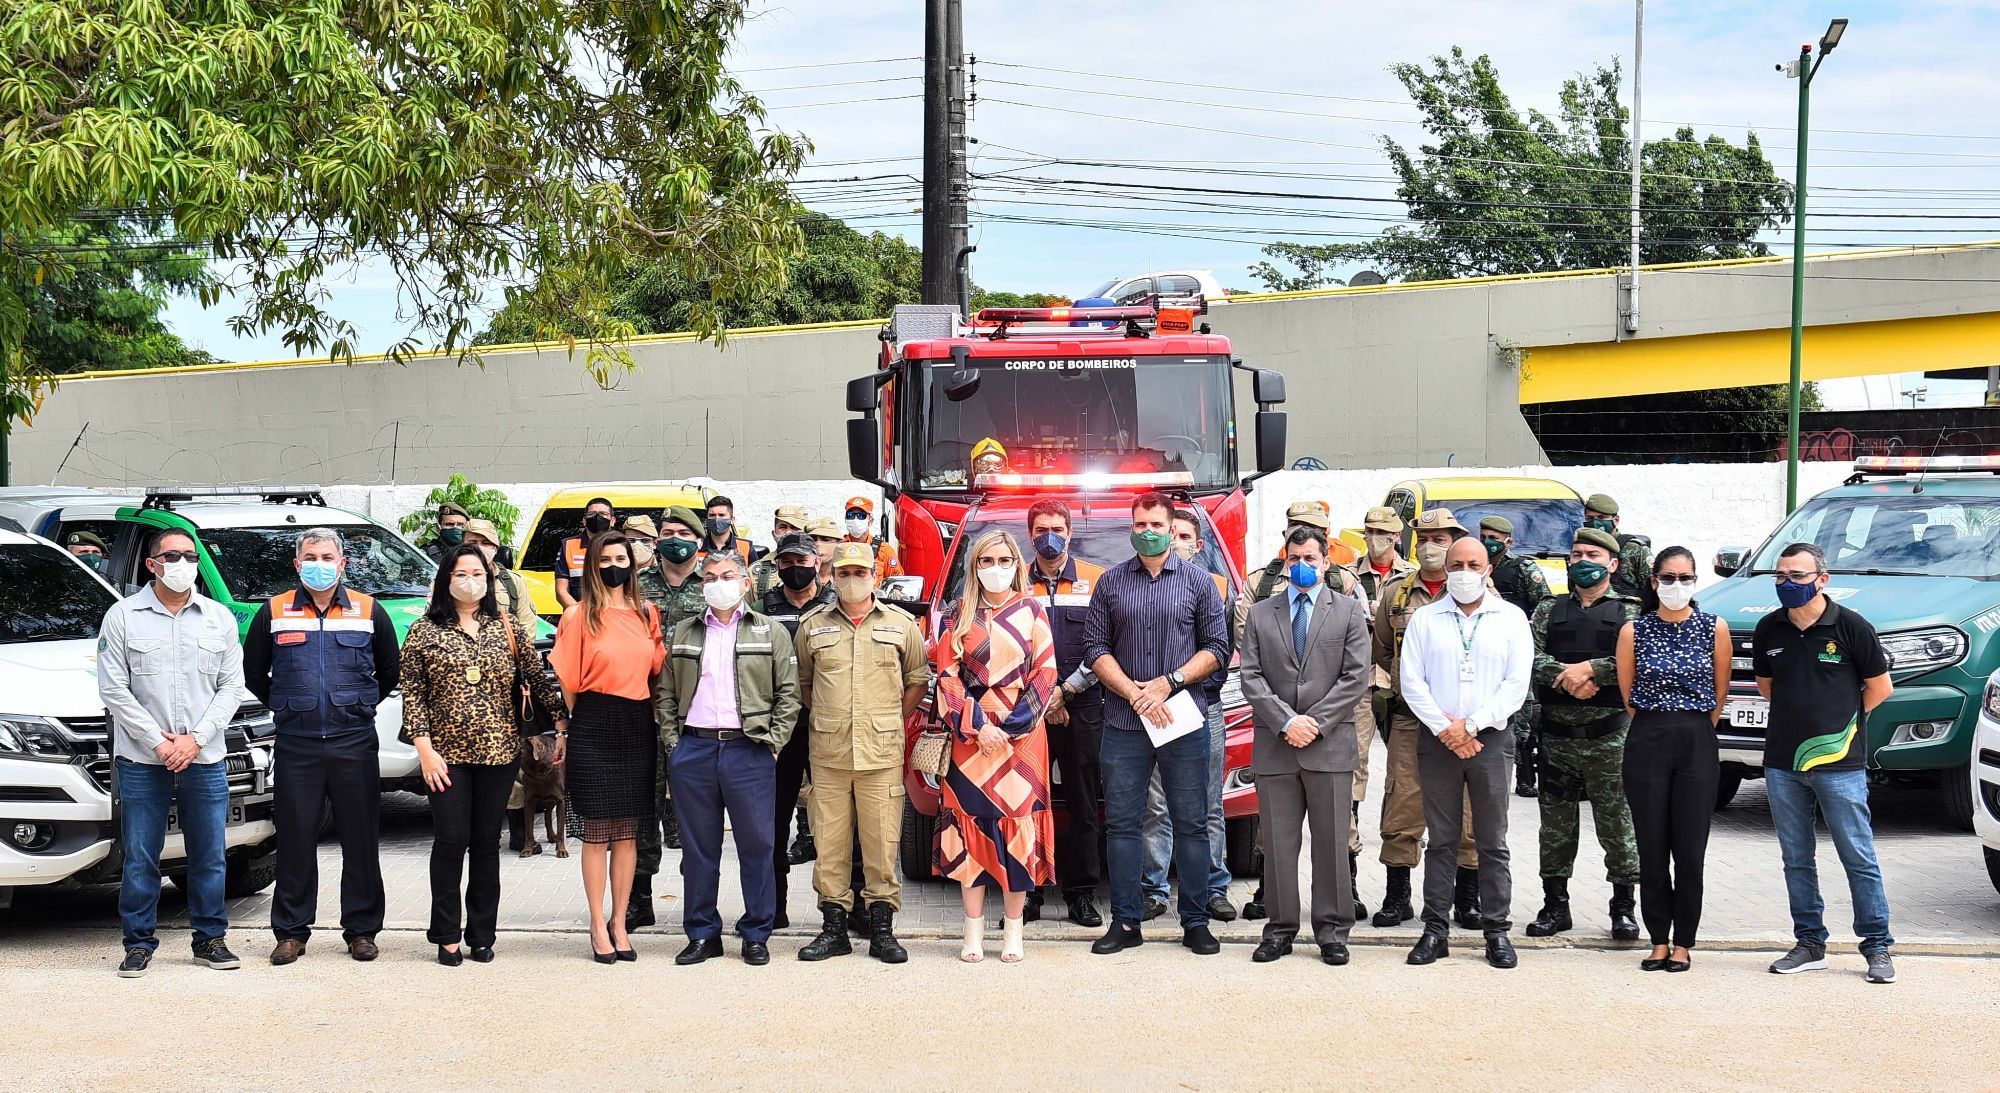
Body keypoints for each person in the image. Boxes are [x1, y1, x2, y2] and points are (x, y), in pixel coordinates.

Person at [400, 545, 567, 966]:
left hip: (499, 751)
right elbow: (413, 695)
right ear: (446, 579)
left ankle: (482, 933)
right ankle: (446, 934)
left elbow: (536, 675)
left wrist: (562, 723)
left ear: (489, 579)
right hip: (445, 755)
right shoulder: (424, 631)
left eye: (478, 572)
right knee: (451, 840)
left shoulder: (505, 627)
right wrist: (425, 750)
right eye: (461, 572)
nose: (470, 580)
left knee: (486, 844)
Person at [1081, 492, 1230, 957]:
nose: (1148, 531)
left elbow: (1217, 648)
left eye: (1156, 524)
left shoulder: (1200, 582)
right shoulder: (1109, 583)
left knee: (1191, 824)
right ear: (1131, 527)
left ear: (1172, 529)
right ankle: (1126, 922)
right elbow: (1095, 648)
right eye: (1140, 523)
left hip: (1183, 719)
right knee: (1124, 824)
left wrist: (1169, 683)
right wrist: (1135, 693)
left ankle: (1196, 921)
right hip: (1125, 722)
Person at [243, 528, 400, 965]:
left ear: (343, 563)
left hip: (354, 742)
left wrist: (358, 703)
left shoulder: (370, 611)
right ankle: (291, 932)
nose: (319, 563)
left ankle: (362, 931)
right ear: (297, 565)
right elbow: (254, 672)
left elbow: (389, 670)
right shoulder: (273, 611)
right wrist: (288, 705)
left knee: (361, 839)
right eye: (310, 556)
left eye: (327, 556)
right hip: (298, 744)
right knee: (295, 839)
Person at [97, 529, 249, 977]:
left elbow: (232, 687)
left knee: (209, 852)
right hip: (144, 759)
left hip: (204, 755)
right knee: (142, 853)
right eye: (173, 555)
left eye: (190, 555)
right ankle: (138, 943)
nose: (184, 562)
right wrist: (159, 742)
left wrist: (195, 739)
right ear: (152, 565)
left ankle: (210, 939)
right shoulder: (123, 617)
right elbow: (113, 689)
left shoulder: (218, 618)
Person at [1754, 542, 1897, 984]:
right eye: (1781, 576)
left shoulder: (1851, 627)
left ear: (1822, 578)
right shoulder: (1768, 629)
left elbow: (1879, 688)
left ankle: (1877, 947)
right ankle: (1810, 944)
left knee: (1858, 855)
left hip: (1841, 765)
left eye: (1797, 575)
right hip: (1782, 762)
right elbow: (1766, 687)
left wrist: (1840, 724)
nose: (1787, 584)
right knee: (1796, 858)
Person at [655, 551, 800, 967]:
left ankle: (756, 932)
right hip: (695, 750)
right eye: (711, 576)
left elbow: (788, 694)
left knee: (757, 844)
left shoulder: (769, 631)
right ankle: (702, 934)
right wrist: (673, 745)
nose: (719, 582)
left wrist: (773, 742)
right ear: (702, 585)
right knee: (700, 849)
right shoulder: (684, 630)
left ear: (745, 583)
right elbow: (665, 693)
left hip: (748, 749)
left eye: (728, 575)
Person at [1235, 502, 1372, 925]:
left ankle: (1333, 929)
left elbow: (1355, 676)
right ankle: (1280, 927)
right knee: (1277, 845)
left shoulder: (1348, 610)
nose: (1301, 566)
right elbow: (1250, 676)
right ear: (1284, 561)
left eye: (1310, 558)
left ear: (1325, 561)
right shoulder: (1261, 612)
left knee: (1331, 844)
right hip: (1277, 746)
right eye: (1294, 559)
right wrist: (1286, 721)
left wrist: (1314, 722)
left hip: (1329, 745)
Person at [1399, 536, 1532, 969]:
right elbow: (1411, 681)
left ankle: (1497, 931)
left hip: (1489, 739)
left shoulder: (1511, 619)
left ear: (1488, 568)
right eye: (1456, 565)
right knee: (1441, 840)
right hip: (1438, 740)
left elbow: (1516, 684)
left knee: (1491, 841)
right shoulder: (1425, 618)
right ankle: (1435, 929)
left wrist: (1471, 726)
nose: (1463, 572)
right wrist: (1447, 729)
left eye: (1473, 564)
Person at [793, 541, 930, 963]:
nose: (852, 580)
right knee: (830, 845)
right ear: (831, 577)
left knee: (882, 843)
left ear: (876, 576)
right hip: (830, 754)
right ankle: (833, 928)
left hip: (881, 753)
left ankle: (882, 929)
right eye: (844, 573)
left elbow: (918, 680)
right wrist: (835, 718)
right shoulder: (812, 625)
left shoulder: (902, 624)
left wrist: (885, 716)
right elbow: (804, 684)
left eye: (860, 572)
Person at [933, 529, 1057, 963]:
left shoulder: (1032, 611)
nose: (996, 570)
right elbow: (946, 678)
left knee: (1016, 829)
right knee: (971, 829)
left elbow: (1045, 674)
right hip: (971, 740)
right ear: (974, 567)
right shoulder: (956, 615)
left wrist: (1011, 726)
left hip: (1021, 740)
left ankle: (1013, 933)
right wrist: (977, 726)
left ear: (1017, 565)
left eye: (1004, 561)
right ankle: (972, 934)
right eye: (987, 562)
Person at [551, 530, 665, 964]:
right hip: (594, 721)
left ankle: (621, 921)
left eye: (621, 557)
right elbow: (568, 680)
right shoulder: (579, 615)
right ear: (593, 566)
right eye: (606, 559)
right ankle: (597, 924)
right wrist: (574, 726)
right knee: (597, 833)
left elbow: (656, 670)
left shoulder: (646, 612)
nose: (614, 565)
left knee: (629, 833)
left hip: (637, 722)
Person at [1614, 546, 1730, 973]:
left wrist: (1694, 725)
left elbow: (1720, 691)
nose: (1676, 586)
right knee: (1652, 847)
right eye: (1668, 577)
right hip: (1647, 738)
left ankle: (1684, 942)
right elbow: (1628, 695)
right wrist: (1657, 724)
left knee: (1689, 848)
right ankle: (1658, 939)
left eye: (1684, 578)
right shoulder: (1634, 630)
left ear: (1695, 581)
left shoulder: (1713, 627)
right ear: (1654, 581)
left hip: (1696, 739)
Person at [1525, 527, 1642, 942]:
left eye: (1593, 553)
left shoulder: (1629, 611)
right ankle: (1555, 906)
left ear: (1612, 564)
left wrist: (1593, 669)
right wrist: (1566, 674)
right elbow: (1528, 657)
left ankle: (1623, 909)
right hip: (1557, 739)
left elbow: (1636, 658)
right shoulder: (1547, 610)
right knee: (1555, 829)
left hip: (1610, 738)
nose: (1583, 561)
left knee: (1619, 826)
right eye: (1576, 554)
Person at [1372, 508, 1480, 930]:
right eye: (1425, 537)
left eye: (1441, 538)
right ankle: (1397, 897)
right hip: (1412, 720)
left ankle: (1467, 900)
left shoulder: (1482, 593)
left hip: (1464, 724)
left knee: (1467, 810)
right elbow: (1384, 651)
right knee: (1402, 805)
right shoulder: (1397, 594)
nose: (1432, 545)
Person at [1025, 498, 1107, 927]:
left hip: (1084, 706)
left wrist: (1065, 692)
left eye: (1056, 528)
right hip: (1028, 710)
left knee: (1082, 801)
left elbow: (1102, 647)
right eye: (1040, 529)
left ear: (1071, 532)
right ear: (1030, 533)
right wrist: (1044, 696)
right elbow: (1011, 650)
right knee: (1027, 801)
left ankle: (1080, 893)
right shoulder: (1015, 580)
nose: (1049, 536)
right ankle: (1029, 892)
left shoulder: (1095, 581)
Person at [629, 508, 706, 925]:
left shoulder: (715, 584)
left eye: (682, 532)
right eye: (666, 532)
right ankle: (639, 898)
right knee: (644, 805)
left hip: (698, 714)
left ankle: (696, 899)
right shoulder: (636, 586)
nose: (673, 538)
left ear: (698, 540)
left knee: (696, 811)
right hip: (644, 711)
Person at [1165, 506, 1238, 924]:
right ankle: (1154, 889)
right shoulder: (1137, 587)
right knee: (1156, 807)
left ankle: (1213, 888)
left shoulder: (1217, 590)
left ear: (1198, 544)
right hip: (1155, 709)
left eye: (1183, 536)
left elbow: (1223, 650)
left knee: (1209, 803)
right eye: (1168, 532)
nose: (1175, 541)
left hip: (1202, 706)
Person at [760, 532, 834, 926]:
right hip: (779, 733)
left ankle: (841, 910)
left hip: (827, 729)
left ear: (817, 563)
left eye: (801, 561)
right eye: (785, 563)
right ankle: (774, 907)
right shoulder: (762, 610)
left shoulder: (835, 606)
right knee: (773, 820)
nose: (794, 569)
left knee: (839, 821)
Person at [1479, 515, 1553, 797]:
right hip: (1484, 649)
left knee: (1521, 715)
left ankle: (1524, 776)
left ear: (1508, 542)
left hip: (1514, 647)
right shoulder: (1477, 567)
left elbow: (1544, 603)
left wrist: (1528, 633)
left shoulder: (1523, 568)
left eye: (1493, 538)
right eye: (1483, 535)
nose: (1486, 542)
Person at [1584, 493, 1652, 602]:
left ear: (1616, 520)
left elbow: (1653, 588)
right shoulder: (1582, 551)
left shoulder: (1634, 549)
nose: (1595, 523)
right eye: (1590, 518)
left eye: (1601, 517)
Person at [555, 497, 617, 608]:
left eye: (603, 514)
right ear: (584, 520)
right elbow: (561, 591)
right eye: (592, 514)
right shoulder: (568, 546)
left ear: (612, 521)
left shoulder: (620, 546)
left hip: (615, 616)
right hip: (578, 615)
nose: (597, 517)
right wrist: (580, 616)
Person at [751, 504, 812, 596]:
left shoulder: (816, 566)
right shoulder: (755, 571)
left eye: (795, 528)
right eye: (782, 527)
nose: (788, 532)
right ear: (773, 533)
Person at [840, 495, 902, 580]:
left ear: (870, 521)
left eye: (861, 515)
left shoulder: (884, 550)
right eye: (850, 515)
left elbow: (897, 583)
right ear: (845, 519)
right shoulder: (838, 548)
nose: (855, 519)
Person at [700, 495, 763, 567]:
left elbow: (755, 576)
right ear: (707, 519)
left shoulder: (746, 547)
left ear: (732, 520)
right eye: (712, 515)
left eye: (721, 515)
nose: (716, 519)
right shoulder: (696, 547)